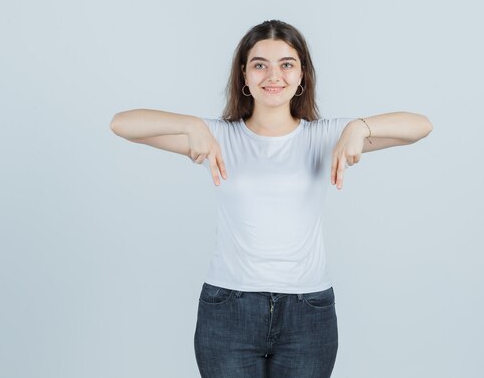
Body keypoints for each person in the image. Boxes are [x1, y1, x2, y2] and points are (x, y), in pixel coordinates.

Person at [110, 20, 432, 378]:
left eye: (286, 64)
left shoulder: (324, 136)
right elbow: (122, 124)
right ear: (244, 77)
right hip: (229, 309)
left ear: (302, 76)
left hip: (308, 312)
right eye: (260, 64)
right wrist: (190, 125)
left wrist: (359, 127)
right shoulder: (216, 136)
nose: (273, 75)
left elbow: (420, 126)